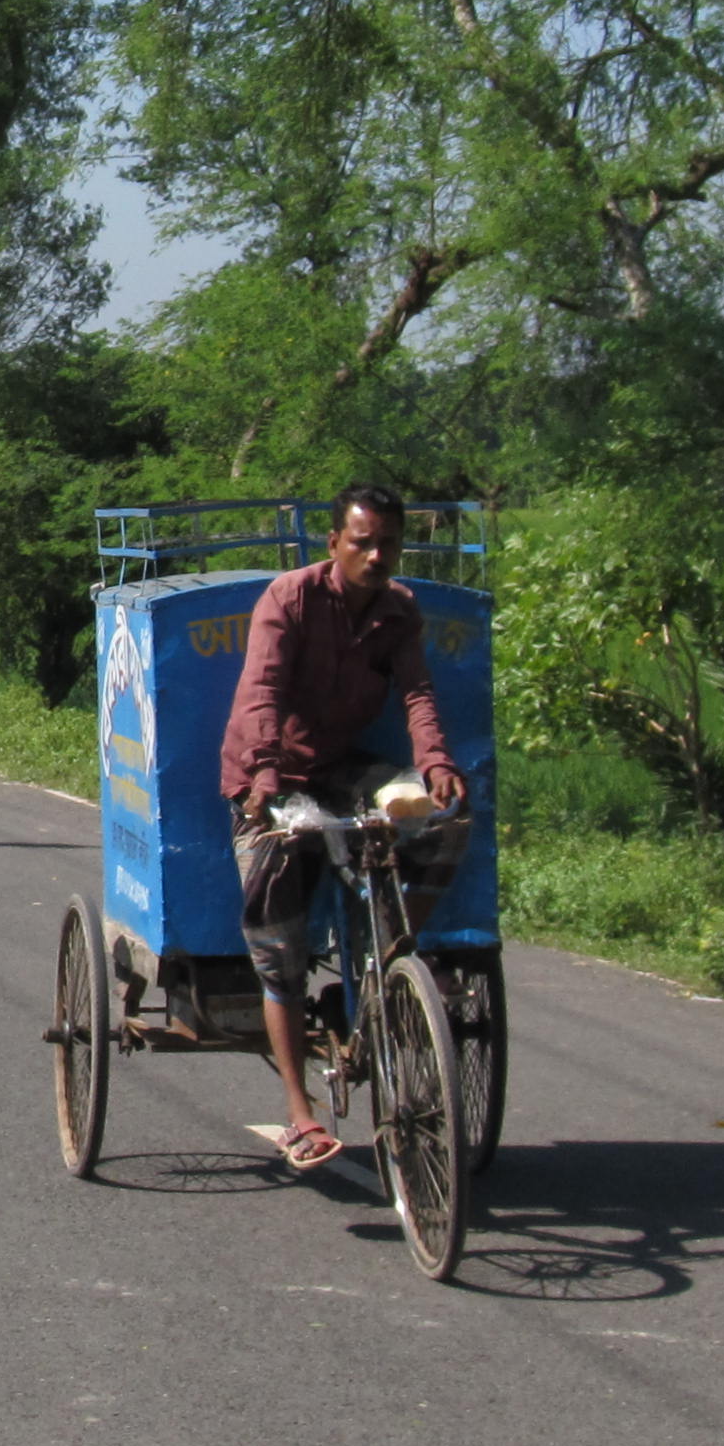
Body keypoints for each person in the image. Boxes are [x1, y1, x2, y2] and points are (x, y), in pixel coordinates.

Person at [218, 482, 468, 1170]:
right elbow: (262, 692)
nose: (377, 554)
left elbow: (416, 690)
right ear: (334, 544)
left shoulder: (398, 610)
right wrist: (265, 782)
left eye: (389, 542)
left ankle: (391, 962)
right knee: (280, 944)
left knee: (441, 820)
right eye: (363, 541)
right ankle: (300, 1115)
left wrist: (437, 762)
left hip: (338, 768)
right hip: (266, 778)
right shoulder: (290, 599)